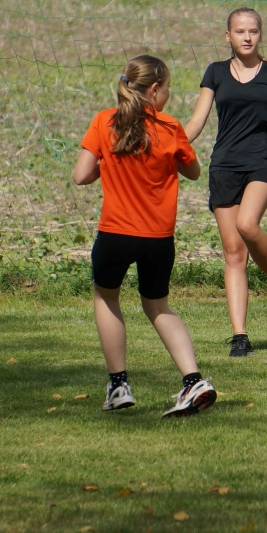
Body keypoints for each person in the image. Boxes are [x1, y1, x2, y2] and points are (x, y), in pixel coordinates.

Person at [73, 54, 216, 417]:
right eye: (168, 88)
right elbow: (193, 172)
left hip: (115, 234)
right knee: (158, 306)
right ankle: (193, 381)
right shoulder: (170, 127)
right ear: (154, 90)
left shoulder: (104, 121)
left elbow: (81, 175)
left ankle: (119, 385)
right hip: (158, 238)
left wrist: (108, 162)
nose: (168, 95)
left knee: (107, 298)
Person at [184, 7, 267, 357]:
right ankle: (240, 337)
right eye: (239, 31)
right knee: (233, 252)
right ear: (228, 36)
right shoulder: (215, 73)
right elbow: (196, 122)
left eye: (252, 31)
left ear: (260, 34)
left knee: (246, 224)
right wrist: (168, 145)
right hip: (224, 166)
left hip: (262, 163)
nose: (246, 37)